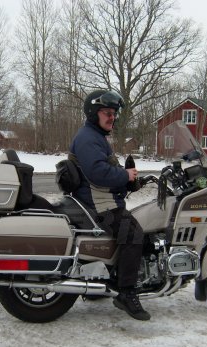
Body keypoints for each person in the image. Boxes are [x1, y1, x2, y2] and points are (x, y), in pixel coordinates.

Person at [69, 90, 150, 321]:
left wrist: (130, 181)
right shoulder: (88, 138)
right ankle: (126, 292)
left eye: (114, 113)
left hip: (103, 200)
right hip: (100, 205)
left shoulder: (95, 136)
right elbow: (97, 173)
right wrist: (124, 175)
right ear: (94, 113)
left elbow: (103, 173)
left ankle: (104, 279)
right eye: (107, 113)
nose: (112, 117)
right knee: (133, 233)